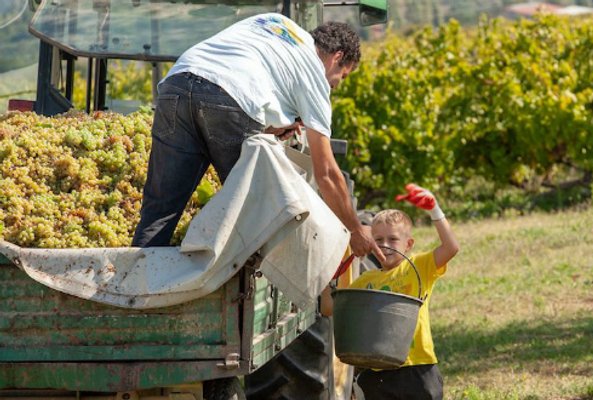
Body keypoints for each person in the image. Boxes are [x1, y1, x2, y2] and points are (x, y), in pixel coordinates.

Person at [132, 14, 383, 263]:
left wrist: (268, 126)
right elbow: (326, 172)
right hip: (229, 95)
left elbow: (240, 77)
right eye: (343, 76)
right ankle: (233, 295)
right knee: (255, 216)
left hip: (177, 84)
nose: (337, 85)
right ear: (337, 57)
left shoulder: (276, 23)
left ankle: (132, 291)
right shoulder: (316, 75)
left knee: (159, 211)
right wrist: (355, 229)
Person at [348, 184, 459, 400]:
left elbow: (451, 248)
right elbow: (331, 306)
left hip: (417, 367)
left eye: (393, 239)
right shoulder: (365, 280)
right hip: (377, 372)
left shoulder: (418, 267)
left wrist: (435, 211)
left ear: (408, 244)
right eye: (378, 240)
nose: (385, 245)